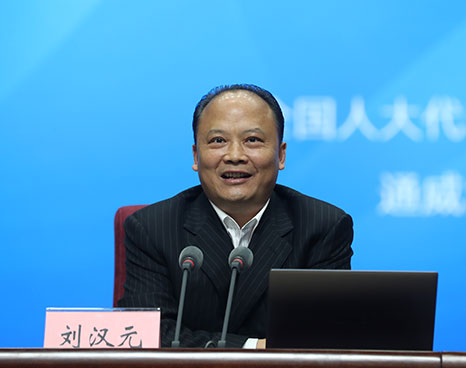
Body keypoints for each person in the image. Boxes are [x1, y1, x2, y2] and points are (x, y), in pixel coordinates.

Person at [118, 84, 353, 348]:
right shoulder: (153, 227)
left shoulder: (322, 226)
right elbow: (147, 333)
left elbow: (325, 334)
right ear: (196, 155)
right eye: (218, 141)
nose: (235, 156)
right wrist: (254, 347)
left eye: (252, 140)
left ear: (281, 154)